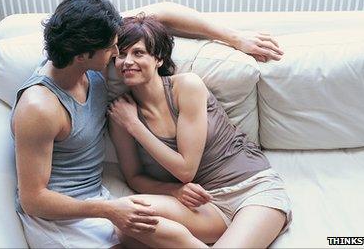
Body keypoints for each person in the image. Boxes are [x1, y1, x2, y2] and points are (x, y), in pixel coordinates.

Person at [11, 0, 284, 248]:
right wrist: (124, 205)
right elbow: (34, 199)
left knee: (134, 222)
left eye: (134, 52)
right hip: (75, 213)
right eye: (113, 49)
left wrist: (235, 38)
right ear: (83, 56)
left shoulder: (91, 50)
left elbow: (162, 13)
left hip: (250, 188)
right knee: (131, 223)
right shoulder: (41, 105)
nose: (118, 55)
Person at [108, 14, 292, 248]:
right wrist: (174, 190)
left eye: (138, 52)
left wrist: (134, 126)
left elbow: (186, 169)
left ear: (159, 59)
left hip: (252, 189)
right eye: (120, 55)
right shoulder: (120, 113)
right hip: (204, 206)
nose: (127, 61)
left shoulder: (186, 86)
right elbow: (134, 177)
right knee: (125, 222)